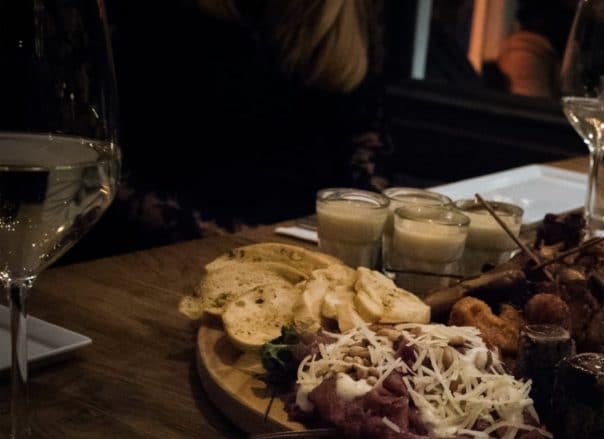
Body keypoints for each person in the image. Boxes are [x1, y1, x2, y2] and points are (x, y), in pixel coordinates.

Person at [70, 0, 391, 261]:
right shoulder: (153, 13)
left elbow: (365, 141)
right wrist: (223, 239)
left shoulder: (351, 13)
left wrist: (363, 221)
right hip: (161, 252)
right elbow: (96, 161)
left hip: (308, 249)